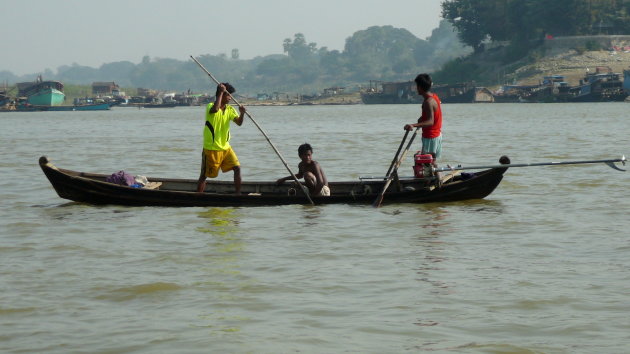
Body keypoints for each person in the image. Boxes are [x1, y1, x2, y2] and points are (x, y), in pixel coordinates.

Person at [197, 83, 246, 194]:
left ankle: (238, 194)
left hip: (226, 147)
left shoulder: (230, 109)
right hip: (211, 148)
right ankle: (198, 196)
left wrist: (242, 114)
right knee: (204, 175)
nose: (230, 98)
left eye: (230, 95)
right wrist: (220, 92)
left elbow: (239, 123)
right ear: (221, 94)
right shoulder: (211, 106)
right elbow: (215, 109)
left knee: (237, 168)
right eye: (228, 95)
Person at [404, 73, 443, 163]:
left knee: (427, 163)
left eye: (416, 86)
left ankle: (434, 176)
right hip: (437, 135)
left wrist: (413, 125)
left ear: (420, 87)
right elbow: (434, 112)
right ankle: (436, 176)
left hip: (431, 136)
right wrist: (422, 118)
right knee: (431, 162)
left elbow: (430, 121)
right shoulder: (434, 97)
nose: (415, 88)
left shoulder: (428, 102)